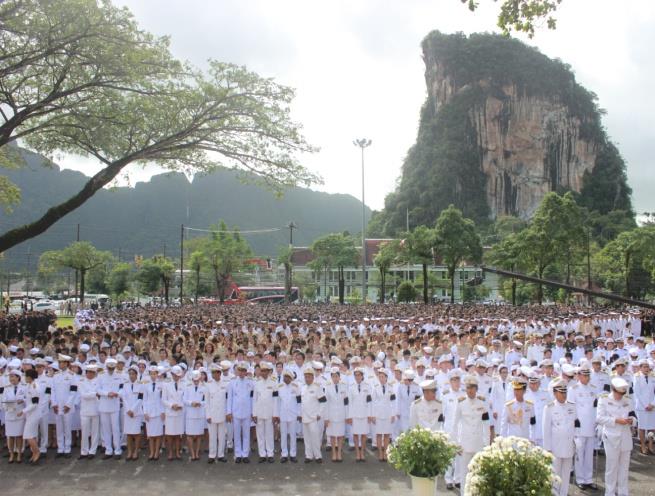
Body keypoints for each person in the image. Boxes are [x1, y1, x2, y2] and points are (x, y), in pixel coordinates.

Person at [597, 377, 637, 496]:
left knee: (624, 468)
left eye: (622, 393)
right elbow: (599, 418)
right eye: (619, 393)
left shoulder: (628, 400)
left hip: (625, 438)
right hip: (611, 438)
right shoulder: (603, 400)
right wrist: (616, 420)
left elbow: (634, 416)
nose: (620, 396)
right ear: (613, 389)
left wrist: (632, 421)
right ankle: (610, 492)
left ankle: (623, 492)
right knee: (612, 468)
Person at [454, 375, 490, 492]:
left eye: (472, 388)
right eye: (468, 388)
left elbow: (486, 424)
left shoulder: (482, 403)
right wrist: (456, 443)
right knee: (464, 472)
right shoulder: (461, 403)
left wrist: (487, 443)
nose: (470, 390)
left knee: (478, 471)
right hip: (464, 443)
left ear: (476, 389)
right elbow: (455, 424)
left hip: (478, 443)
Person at [543, 377, 577, 496]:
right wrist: (547, 449)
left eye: (565, 392)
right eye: (561, 392)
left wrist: (576, 442)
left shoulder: (572, 406)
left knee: (566, 474)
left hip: (568, 446)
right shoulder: (549, 408)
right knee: (555, 474)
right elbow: (546, 430)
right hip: (555, 447)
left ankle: (564, 493)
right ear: (555, 393)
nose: (564, 395)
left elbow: (576, 426)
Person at [568, 362, 599, 490]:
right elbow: (571, 407)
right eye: (584, 375)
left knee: (589, 454)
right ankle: (580, 479)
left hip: (591, 425)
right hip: (579, 426)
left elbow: (596, 407)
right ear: (579, 376)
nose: (586, 378)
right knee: (579, 454)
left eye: (588, 375)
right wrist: (574, 421)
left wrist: (597, 422)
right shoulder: (573, 389)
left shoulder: (593, 388)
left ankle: (589, 479)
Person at [227, 361, 254, 463]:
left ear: (246, 372)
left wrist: (253, 412)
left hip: (247, 411)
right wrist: (229, 412)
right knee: (237, 434)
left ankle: (245, 454)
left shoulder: (250, 382)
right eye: (240, 370)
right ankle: (238, 454)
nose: (242, 373)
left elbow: (252, 398)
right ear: (237, 371)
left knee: (246, 434)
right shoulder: (232, 382)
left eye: (244, 371)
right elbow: (229, 398)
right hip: (236, 411)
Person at [51, 354, 77, 457]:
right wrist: (54, 404)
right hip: (57, 405)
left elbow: (73, 391)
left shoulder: (71, 375)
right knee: (59, 428)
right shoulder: (55, 375)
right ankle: (60, 448)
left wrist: (68, 404)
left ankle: (67, 448)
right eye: (59, 362)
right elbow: (52, 390)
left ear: (66, 363)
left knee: (67, 427)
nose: (59, 364)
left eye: (61, 362)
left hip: (67, 406)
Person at [98, 357, 123, 459]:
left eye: (113, 368)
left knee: (116, 429)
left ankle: (117, 450)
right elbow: (97, 389)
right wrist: (107, 393)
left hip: (114, 405)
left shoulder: (119, 375)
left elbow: (122, 388)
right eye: (109, 368)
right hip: (104, 405)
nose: (111, 370)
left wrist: (117, 394)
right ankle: (108, 450)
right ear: (106, 367)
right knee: (106, 429)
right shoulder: (101, 376)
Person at [300, 365, 326, 463]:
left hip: (313, 417)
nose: (307, 378)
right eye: (305, 376)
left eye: (309, 376)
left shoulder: (317, 387)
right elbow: (301, 403)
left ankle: (318, 456)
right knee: (306, 438)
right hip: (304, 417)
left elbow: (323, 402)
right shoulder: (302, 388)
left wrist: (319, 413)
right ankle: (308, 456)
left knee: (315, 438)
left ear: (312, 377)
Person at [253, 361, 278, 463]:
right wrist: (254, 414)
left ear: (269, 372)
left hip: (269, 412)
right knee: (260, 434)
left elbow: (276, 400)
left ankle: (270, 453)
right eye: (262, 371)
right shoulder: (257, 384)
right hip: (259, 413)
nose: (263, 373)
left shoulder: (273, 383)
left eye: (265, 371)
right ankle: (262, 454)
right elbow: (254, 400)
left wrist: (275, 414)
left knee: (269, 433)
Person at [347, 367, 373, 462]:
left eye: (359, 375)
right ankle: (357, 453)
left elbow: (370, 402)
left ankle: (362, 452)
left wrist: (370, 414)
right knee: (355, 434)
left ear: (362, 376)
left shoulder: (367, 386)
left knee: (363, 434)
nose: (357, 377)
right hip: (354, 414)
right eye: (356, 375)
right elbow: (349, 403)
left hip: (365, 413)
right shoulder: (351, 387)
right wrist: (349, 416)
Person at [206, 364, 230, 463]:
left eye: (215, 373)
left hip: (222, 414)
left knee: (222, 435)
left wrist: (228, 413)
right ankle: (212, 455)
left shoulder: (225, 384)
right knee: (212, 436)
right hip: (212, 414)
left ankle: (221, 455)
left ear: (219, 373)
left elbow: (228, 400)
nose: (213, 375)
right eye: (212, 373)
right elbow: (207, 402)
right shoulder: (208, 385)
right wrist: (208, 415)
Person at [372, 368, 396, 462]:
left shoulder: (391, 387)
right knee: (378, 434)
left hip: (387, 413)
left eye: (383, 377)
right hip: (378, 414)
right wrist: (373, 415)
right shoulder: (375, 387)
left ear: (386, 377)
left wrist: (393, 414)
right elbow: (372, 402)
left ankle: (385, 452)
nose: (381, 378)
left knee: (386, 434)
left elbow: (393, 401)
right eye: (379, 376)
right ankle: (380, 453)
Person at [277, 369, 301, 463]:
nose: (285, 378)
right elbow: (277, 402)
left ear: (291, 378)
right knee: (283, 434)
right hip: (282, 414)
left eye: (287, 377)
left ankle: (293, 454)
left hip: (293, 414)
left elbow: (299, 401)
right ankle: (284, 454)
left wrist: (299, 413)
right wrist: (277, 414)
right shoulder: (279, 386)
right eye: (284, 377)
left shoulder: (296, 387)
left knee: (292, 434)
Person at [2, 369, 26, 463]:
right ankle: (11, 454)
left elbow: (27, 398)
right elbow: (3, 401)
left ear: (18, 377)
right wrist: (7, 407)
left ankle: (19, 453)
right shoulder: (7, 387)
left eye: (12, 376)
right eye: (10, 377)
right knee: (10, 436)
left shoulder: (24, 387)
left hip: (20, 414)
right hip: (9, 414)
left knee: (19, 436)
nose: (11, 379)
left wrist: (23, 400)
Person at [162, 365, 185, 460]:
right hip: (170, 412)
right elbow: (163, 400)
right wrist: (172, 405)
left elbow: (185, 398)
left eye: (178, 375)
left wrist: (180, 405)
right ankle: (170, 452)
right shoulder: (166, 384)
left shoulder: (184, 384)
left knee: (178, 434)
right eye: (175, 375)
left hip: (179, 412)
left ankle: (177, 452)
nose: (177, 377)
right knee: (170, 434)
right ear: (171, 374)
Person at [121, 365, 144, 461]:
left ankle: (135, 451)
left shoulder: (141, 384)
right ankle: (129, 451)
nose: (131, 376)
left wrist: (133, 410)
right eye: (130, 374)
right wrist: (128, 410)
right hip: (127, 412)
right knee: (129, 433)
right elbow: (124, 398)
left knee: (137, 433)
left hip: (137, 412)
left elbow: (140, 399)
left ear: (136, 374)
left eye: (133, 374)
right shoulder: (125, 384)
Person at [325, 366, 348, 462]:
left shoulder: (344, 386)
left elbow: (347, 403)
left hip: (341, 414)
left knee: (340, 434)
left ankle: (339, 452)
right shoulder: (327, 387)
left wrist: (347, 416)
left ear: (339, 377)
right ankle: (334, 452)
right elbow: (325, 403)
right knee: (333, 435)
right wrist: (326, 417)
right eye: (333, 376)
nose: (335, 378)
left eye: (336, 376)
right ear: (331, 377)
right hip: (331, 415)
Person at [22, 368, 44, 464]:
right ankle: (34, 453)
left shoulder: (35, 386)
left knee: (28, 435)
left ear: (29, 377)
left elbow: (35, 403)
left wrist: (23, 411)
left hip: (34, 413)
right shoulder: (30, 385)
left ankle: (37, 452)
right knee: (32, 435)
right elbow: (28, 400)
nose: (24, 378)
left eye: (25, 376)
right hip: (31, 414)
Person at [78, 363, 100, 459]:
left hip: (96, 409)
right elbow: (83, 395)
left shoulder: (98, 381)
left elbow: (97, 393)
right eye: (89, 372)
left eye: (92, 372)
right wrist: (94, 394)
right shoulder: (81, 381)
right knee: (85, 432)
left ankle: (92, 451)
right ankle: (84, 451)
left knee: (95, 432)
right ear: (86, 372)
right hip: (85, 410)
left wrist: (92, 394)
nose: (90, 374)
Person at [183, 369, 206, 461]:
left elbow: (206, 400)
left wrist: (200, 403)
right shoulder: (187, 387)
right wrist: (191, 403)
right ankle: (192, 453)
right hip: (190, 413)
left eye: (197, 379)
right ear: (192, 379)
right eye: (194, 380)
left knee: (199, 434)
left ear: (200, 378)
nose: (196, 381)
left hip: (200, 413)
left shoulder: (204, 388)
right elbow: (184, 400)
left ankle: (197, 453)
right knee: (189, 435)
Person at [143, 365, 165, 461]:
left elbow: (163, 399)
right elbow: (144, 400)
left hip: (159, 412)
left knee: (158, 434)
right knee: (151, 435)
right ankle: (151, 452)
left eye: (155, 373)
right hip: (149, 412)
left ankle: (156, 452)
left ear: (157, 374)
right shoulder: (146, 385)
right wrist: (145, 412)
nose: (153, 375)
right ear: (149, 374)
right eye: (151, 374)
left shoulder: (162, 385)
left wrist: (163, 411)